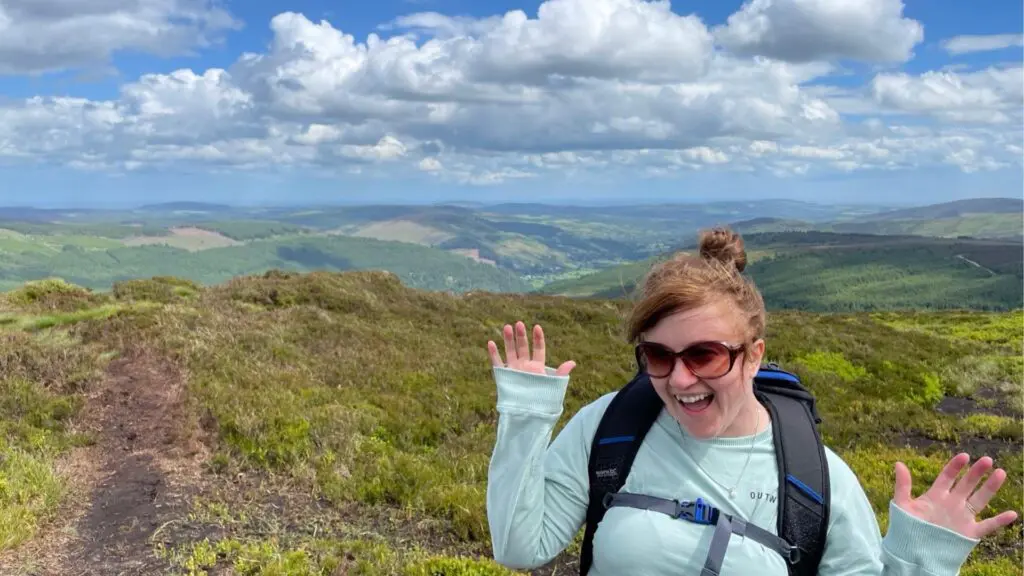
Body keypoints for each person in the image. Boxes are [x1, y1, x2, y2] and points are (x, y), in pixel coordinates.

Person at [483, 226, 1018, 575]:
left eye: (706, 355)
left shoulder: (816, 480)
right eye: (658, 357)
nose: (680, 379)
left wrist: (918, 561)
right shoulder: (611, 427)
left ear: (754, 355)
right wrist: (526, 416)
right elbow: (519, 546)